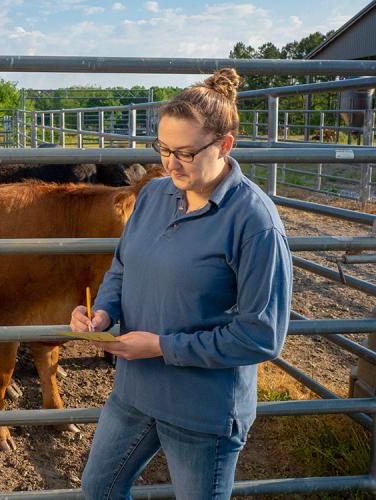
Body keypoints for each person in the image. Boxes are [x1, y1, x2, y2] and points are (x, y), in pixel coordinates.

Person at [72, 68, 292, 500]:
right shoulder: (154, 194)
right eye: (163, 149)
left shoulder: (254, 223)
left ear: (225, 145)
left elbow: (261, 336)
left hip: (200, 409)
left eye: (186, 153)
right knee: (98, 490)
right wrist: (103, 312)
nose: (170, 163)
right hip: (134, 390)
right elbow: (123, 266)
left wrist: (161, 347)